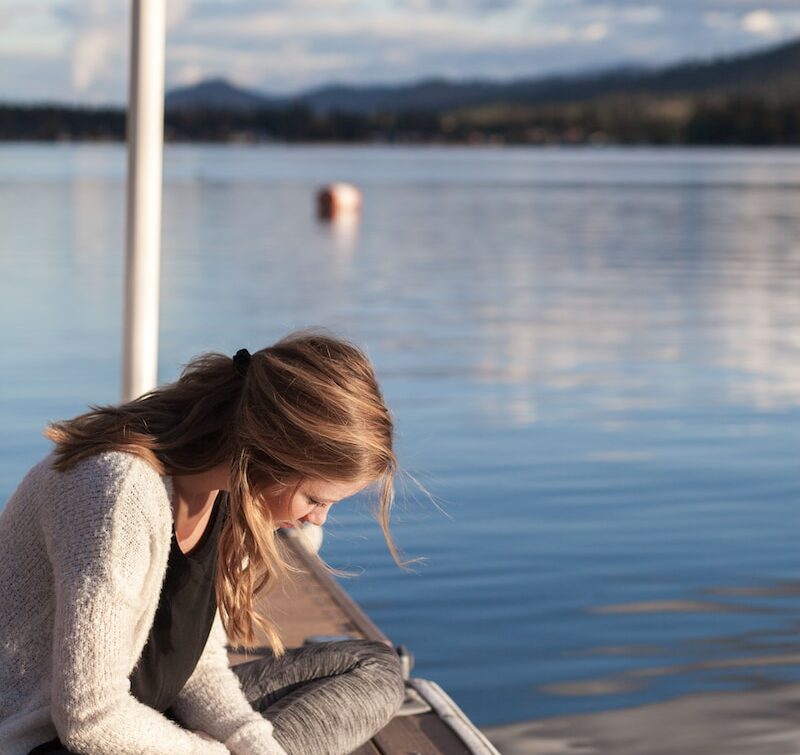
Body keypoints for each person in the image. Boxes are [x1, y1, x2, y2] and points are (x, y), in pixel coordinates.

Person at [0, 331, 406, 755]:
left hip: (146, 713)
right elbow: (90, 719)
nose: (317, 519)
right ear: (269, 454)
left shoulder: (225, 492)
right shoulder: (119, 491)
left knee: (372, 669)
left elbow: (195, 666)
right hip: (46, 740)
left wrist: (253, 744)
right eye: (315, 499)